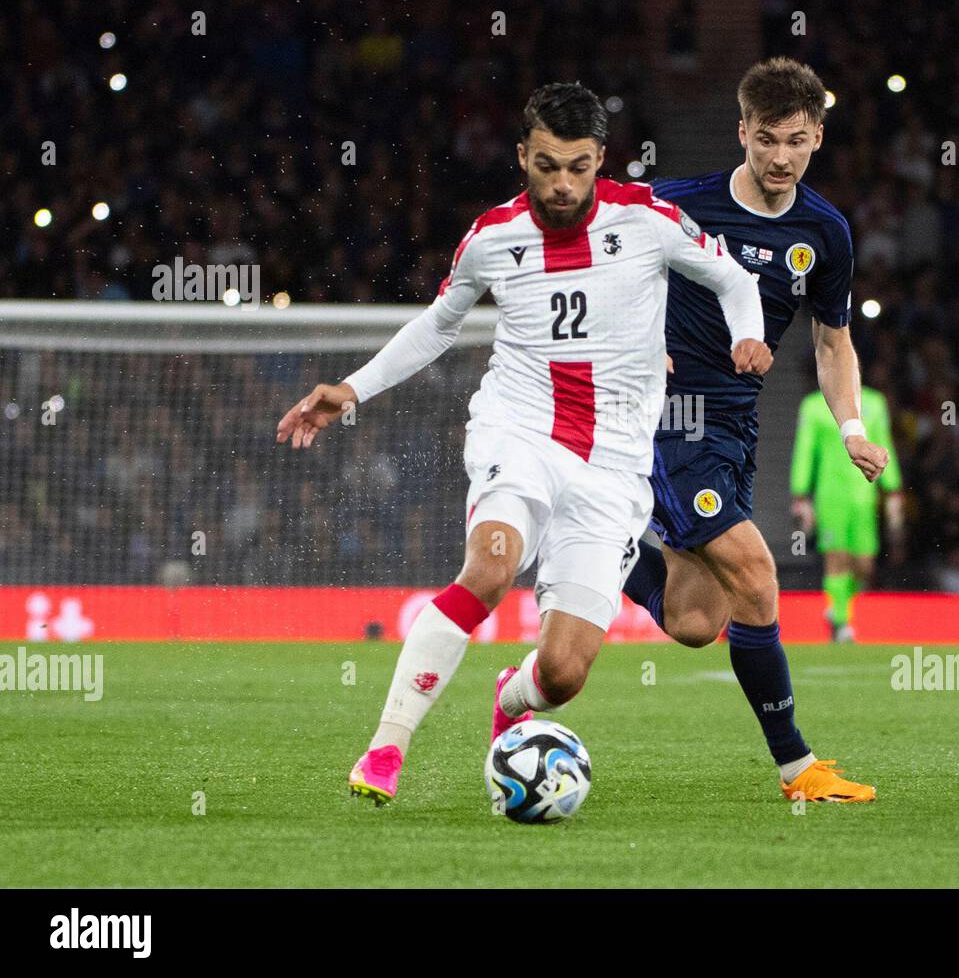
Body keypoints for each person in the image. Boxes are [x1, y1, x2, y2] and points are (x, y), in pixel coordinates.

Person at [275, 82, 769, 804]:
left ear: (601, 159)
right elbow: (440, 324)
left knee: (563, 671)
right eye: (545, 165)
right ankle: (386, 745)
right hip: (522, 427)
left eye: (576, 166)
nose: (561, 184)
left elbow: (730, 276)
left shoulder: (650, 220)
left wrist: (747, 331)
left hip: (614, 464)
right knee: (491, 568)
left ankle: (510, 698)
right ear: (522, 156)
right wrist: (351, 389)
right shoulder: (492, 237)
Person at [622, 57, 888, 802]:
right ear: (742, 131)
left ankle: (601, 546)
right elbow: (598, 257)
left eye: (795, 141)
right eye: (766, 139)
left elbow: (833, 344)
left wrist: (853, 428)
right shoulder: (673, 205)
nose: (779, 157)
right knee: (759, 576)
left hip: (738, 425)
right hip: (672, 418)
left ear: (817, 139)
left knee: (696, 620)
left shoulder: (825, 232)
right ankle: (798, 768)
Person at [791, 378, 903, 642]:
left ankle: (838, 607)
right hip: (830, 496)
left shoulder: (875, 403)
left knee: (864, 564)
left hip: (865, 495)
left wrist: (893, 489)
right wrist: (800, 493)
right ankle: (841, 621)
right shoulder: (813, 406)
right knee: (837, 559)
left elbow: (884, 444)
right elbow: (805, 450)